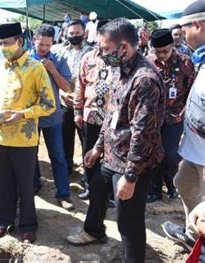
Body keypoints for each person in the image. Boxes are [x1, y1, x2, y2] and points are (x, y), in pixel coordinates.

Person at [67, 18, 165, 263]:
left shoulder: (144, 80)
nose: (101, 54)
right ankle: (94, 231)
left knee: (128, 222)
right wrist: (98, 147)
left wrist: (131, 177)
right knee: (97, 190)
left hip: (132, 163)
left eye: (106, 49)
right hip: (111, 155)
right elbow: (112, 114)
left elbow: (143, 134)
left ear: (124, 47)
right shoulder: (121, 70)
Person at [0, 22, 56, 244]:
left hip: (24, 139)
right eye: (1, 43)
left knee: (25, 185)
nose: (3, 47)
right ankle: (3, 221)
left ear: (20, 42)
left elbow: (49, 104)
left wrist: (23, 114)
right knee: (2, 183)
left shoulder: (35, 68)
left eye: (7, 43)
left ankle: (27, 225)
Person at [162, 0, 205, 251]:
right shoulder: (200, 58)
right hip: (195, 151)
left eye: (185, 28)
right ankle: (192, 233)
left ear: (197, 25)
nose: (183, 33)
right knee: (183, 183)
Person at [146, 29, 195, 203]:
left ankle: (172, 184)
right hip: (153, 118)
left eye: (165, 51)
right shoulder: (149, 62)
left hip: (175, 116)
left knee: (169, 154)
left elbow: (191, 91)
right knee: (153, 153)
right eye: (157, 51)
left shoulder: (185, 62)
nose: (161, 55)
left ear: (172, 46)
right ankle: (154, 190)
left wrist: (185, 113)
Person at [30, 24, 73, 210]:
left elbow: (67, 88)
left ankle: (63, 193)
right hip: (30, 117)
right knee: (31, 155)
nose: (45, 49)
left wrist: (53, 70)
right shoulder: (25, 60)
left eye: (48, 45)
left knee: (58, 156)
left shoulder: (59, 59)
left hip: (52, 116)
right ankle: (34, 185)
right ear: (34, 40)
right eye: (41, 45)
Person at [74, 20, 117, 200]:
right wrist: (77, 111)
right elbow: (80, 85)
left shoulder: (119, 58)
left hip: (113, 118)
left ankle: (107, 192)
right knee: (89, 152)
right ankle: (89, 186)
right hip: (90, 115)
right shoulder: (88, 58)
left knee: (110, 154)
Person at [51, 19, 92, 176]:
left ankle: (88, 174)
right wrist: (62, 92)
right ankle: (67, 169)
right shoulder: (58, 51)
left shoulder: (91, 52)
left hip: (84, 104)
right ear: (65, 34)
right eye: (71, 33)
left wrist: (78, 97)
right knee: (65, 138)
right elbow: (53, 76)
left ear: (84, 33)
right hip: (64, 101)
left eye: (77, 33)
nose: (74, 36)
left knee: (86, 140)